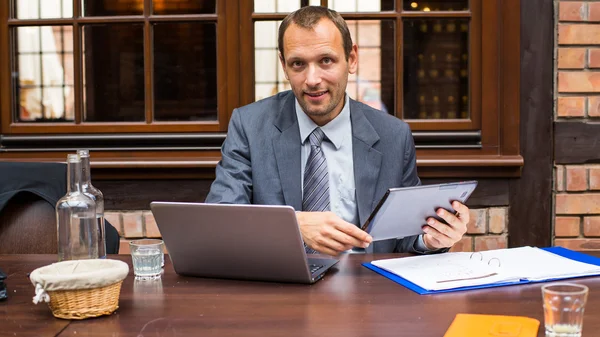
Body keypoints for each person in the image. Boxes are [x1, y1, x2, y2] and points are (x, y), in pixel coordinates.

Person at [206, 6, 469, 255]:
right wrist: (293, 224)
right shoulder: (250, 126)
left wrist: (431, 239)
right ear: (284, 65)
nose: (312, 79)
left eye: (326, 61)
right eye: (298, 64)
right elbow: (220, 219)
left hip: (366, 288)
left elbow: (403, 236)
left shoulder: (393, 135)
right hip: (279, 288)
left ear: (351, 59)